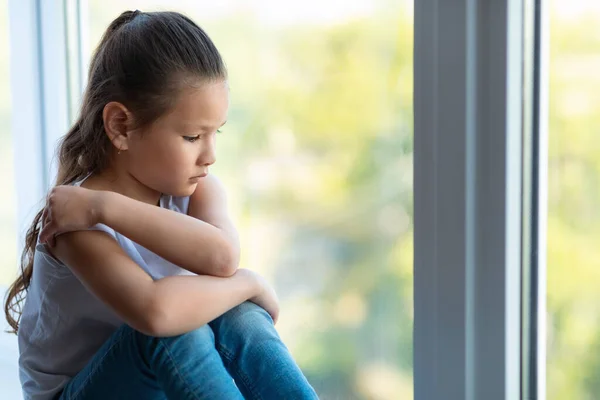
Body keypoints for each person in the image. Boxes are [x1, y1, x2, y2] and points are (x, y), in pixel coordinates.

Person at [3, 10, 319, 400]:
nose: (210, 155)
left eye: (215, 133)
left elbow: (221, 260)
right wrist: (250, 282)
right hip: (78, 392)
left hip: (152, 385)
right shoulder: (75, 224)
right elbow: (155, 313)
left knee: (239, 313)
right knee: (176, 329)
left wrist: (105, 207)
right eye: (191, 136)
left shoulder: (198, 191)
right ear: (121, 126)